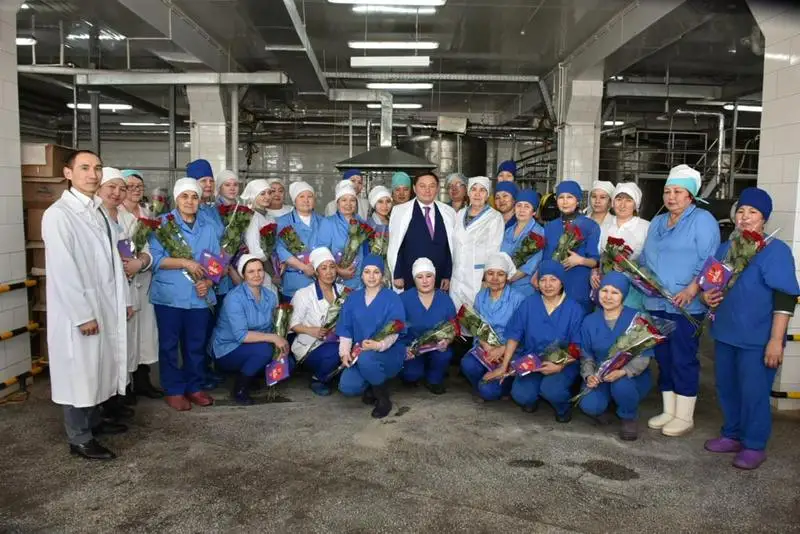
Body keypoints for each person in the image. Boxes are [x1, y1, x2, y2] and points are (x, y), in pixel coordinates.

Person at [699, 188, 799, 469]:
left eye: (752, 212)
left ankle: (754, 444)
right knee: (727, 386)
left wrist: (776, 340)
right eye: (741, 211)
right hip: (726, 333)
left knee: (754, 392)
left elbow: (785, 297)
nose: (744, 217)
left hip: (757, 338)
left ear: (763, 218)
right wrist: (706, 297)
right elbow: (709, 284)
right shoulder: (727, 248)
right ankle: (731, 434)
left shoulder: (775, 251)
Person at [42, 150, 130, 460]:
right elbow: (64, 270)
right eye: (84, 168)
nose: (93, 174)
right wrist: (82, 315)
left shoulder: (98, 211)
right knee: (79, 372)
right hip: (79, 311)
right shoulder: (58, 215)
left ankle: (94, 422)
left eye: (97, 168)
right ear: (68, 173)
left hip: (104, 304)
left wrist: (124, 300)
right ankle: (79, 438)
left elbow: (115, 262)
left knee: (98, 368)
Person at [640, 164, 720, 436]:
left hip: (685, 304)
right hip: (656, 302)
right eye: (667, 191)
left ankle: (684, 417)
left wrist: (692, 289)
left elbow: (710, 260)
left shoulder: (703, 220)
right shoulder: (658, 222)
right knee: (664, 357)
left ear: (690, 196)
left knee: (683, 357)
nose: (671, 197)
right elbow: (646, 258)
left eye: (677, 191)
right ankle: (669, 410)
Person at [149, 177, 223, 411]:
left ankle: (194, 386)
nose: (190, 201)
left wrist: (208, 282)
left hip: (199, 297)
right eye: (184, 196)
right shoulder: (162, 224)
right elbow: (155, 259)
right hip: (170, 297)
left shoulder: (208, 227)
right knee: (169, 346)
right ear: (176, 199)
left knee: (196, 345)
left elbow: (216, 263)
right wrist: (185, 263)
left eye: (194, 197)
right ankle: (173, 389)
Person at [484, 260, 584, 421]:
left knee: (552, 390)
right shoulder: (529, 303)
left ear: (562, 282)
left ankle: (562, 409)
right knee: (521, 395)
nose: (548, 285)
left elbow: (577, 345)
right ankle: (533, 399)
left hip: (563, 361)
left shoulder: (574, 309)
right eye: (543, 279)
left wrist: (559, 365)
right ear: (538, 282)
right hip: (532, 360)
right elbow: (514, 335)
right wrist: (503, 366)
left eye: (553, 280)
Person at [577, 272, 653, 440]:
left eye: (615, 292)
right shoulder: (590, 321)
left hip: (630, 376)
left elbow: (644, 355)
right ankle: (605, 404)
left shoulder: (637, 318)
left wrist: (623, 371)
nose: (608, 297)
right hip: (602, 374)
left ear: (623, 295)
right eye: (604, 290)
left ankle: (629, 416)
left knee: (621, 386)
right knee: (589, 405)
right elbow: (586, 355)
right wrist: (589, 375)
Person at [96, 168, 146, 409]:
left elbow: (143, 250)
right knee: (107, 351)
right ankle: (107, 403)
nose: (117, 193)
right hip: (105, 295)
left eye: (121, 188)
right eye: (112, 187)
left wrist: (140, 262)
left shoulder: (129, 220)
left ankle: (121, 396)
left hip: (128, 289)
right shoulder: (94, 219)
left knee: (127, 346)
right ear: (99, 189)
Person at [211, 255, 289, 405]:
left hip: (255, 345)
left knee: (288, 361)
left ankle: (251, 374)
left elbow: (271, 327)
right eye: (251, 271)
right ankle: (240, 388)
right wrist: (273, 338)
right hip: (228, 349)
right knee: (264, 351)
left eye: (260, 270)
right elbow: (242, 336)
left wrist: (279, 343)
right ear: (243, 275)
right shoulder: (234, 298)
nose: (257, 275)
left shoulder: (270, 296)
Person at [338, 255, 407, 418]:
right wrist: (344, 352)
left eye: (376, 272)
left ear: (382, 275)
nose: (371, 276)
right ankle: (372, 382)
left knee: (367, 359)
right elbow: (345, 328)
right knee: (348, 387)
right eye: (367, 272)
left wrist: (379, 345)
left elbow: (395, 329)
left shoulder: (392, 298)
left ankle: (383, 398)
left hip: (388, 352)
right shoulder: (353, 298)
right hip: (360, 352)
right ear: (361, 275)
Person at [459, 252, 526, 401]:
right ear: (485, 276)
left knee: (489, 392)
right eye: (490, 273)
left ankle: (503, 388)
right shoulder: (480, 296)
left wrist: (502, 349)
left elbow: (524, 332)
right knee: (468, 364)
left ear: (507, 277)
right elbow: (476, 326)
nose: (495, 278)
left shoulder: (518, 299)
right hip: (486, 348)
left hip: (510, 351)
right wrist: (487, 347)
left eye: (500, 274)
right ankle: (482, 385)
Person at [119, 169, 162, 399]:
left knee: (145, 334)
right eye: (130, 186)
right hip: (125, 281)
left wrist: (143, 262)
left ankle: (143, 381)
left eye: (139, 186)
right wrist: (131, 264)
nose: (135, 190)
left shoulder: (148, 213)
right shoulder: (116, 214)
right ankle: (124, 388)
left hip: (144, 281)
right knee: (127, 336)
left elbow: (153, 248)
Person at [536, 180, 600, 315]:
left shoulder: (590, 226)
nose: (565, 202)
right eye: (561, 197)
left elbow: (595, 261)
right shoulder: (550, 226)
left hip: (578, 286)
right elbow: (545, 258)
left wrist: (580, 260)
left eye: (570, 197)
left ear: (578, 200)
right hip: (553, 288)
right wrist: (538, 275)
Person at [289, 247, 347, 396]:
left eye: (332, 267)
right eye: (324, 268)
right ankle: (318, 379)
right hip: (312, 346)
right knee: (336, 351)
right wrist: (311, 330)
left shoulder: (344, 291)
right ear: (316, 271)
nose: (329, 272)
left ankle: (333, 373)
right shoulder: (304, 294)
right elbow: (292, 324)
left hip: (339, 341)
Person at [388, 172, 456, 292]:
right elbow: (396, 245)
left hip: (439, 277)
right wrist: (397, 274)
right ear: (414, 188)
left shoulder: (448, 212)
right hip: (409, 276)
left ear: (437, 188)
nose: (427, 190)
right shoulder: (399, 211)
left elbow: (450, 247)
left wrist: (447, 274)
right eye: (422, 186)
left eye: (432, 186)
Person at [400, 258, 458, 394]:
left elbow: (453, 327)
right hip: (411, 349)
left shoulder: (445, 299)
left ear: (434, 277)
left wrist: (447, 340)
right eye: (420, 277)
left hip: (436, 348)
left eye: (429, 276)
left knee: (444, 355)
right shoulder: (403, 299)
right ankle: (414, 371)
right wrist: (402, 348)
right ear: (414, 279)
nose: (425, 281)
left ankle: (434, 379)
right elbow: (394, 328)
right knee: (411, 375)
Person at [591, 182, 650, 310]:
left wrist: (630, 267)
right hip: (606, 289)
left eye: (628, 200)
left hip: (633, 291)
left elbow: (650, 261)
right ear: (613, 203)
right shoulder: (603, 227)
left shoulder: (646, 227)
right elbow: (596, 257)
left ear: (636, 204)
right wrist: (594, 272)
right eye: (618, 199)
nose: (622, 205)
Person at [450, 176, 505, 310]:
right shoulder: (459, 214)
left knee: (476, 316)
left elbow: (494, 250)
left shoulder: (494, 217)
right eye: (474, 189)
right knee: (455, 316)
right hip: (457, 277)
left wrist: (488, 278)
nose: (477, 194)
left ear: (487, 195)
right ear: (468, 193)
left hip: (478, 278)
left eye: (482, 190)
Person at [275, 181, 323, 299]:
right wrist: (304, 267)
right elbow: (280, 249)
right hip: (295, 280)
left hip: (319, 279)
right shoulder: (283, 221)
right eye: (301, 196)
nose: (306, 200)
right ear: (294, 201)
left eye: (310, 196)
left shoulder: (323, 221)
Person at [318, 182, 368, 291]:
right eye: (344, 200)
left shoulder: (362, 223)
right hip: (337, 280)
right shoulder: (328, 222)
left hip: (361, 281)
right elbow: (321, 252)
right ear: (337, 203)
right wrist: (338, 270)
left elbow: (365, 252)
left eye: (352, 200)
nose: (348, 204)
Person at [501, 189, 543, 298]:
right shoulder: (508, 230)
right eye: (519, 205)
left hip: (525, 289)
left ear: (534, 212)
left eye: (527, 206)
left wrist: (503, 281)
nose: (522, 210)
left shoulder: (538, 233)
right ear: (514, 208)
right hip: (504, 286)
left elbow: (528, 268)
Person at [242, 179, 277, 262]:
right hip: (258, 263)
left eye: (269, 193)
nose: (267, 197)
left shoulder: (269, 216)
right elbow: (254, 249)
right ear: (253, 196)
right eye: (262, 194)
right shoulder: (252, 217)